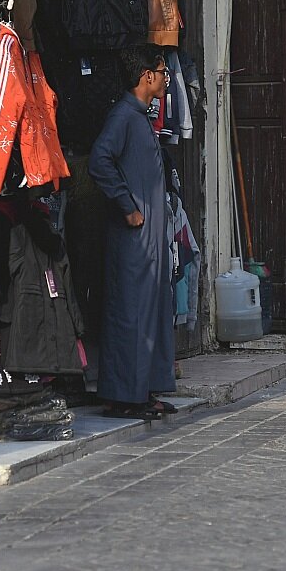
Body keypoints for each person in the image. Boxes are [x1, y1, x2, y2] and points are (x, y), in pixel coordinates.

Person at [89, 44, 177, 420]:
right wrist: (127, 207)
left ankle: (142, 390)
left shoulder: (140, 116)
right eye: (162, 72)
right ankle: (124, 395)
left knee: (152, 309)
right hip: (133, 239)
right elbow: (99, 160)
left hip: (151, 237)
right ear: (147, 76)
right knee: (130, 313)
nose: (165, 79)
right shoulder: (124, 116)